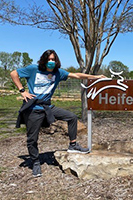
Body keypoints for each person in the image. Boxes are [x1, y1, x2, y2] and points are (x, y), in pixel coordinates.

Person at [10, 49, 106, 177]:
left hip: (48, 107)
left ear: (56, 61)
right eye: (48, 59)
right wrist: (22, 91)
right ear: (44, 60)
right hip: (33, 108)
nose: (51, 62)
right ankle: (36, 163)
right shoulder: (33, 69)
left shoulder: (58, 73)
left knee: (72, 117)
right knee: (32, 138)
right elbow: (13, 73)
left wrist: (96, 77)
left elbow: (77, 75)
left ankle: (73, 145)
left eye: (53, 59)